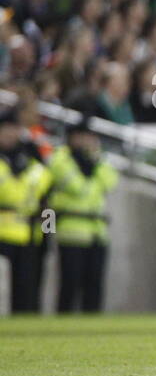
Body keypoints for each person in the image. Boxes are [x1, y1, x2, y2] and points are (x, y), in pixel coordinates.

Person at [47, 115, 118, 312]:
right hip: (71, 230)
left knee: (94, 286)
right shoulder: (61, 158)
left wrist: (96, 160)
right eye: (83, 136)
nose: (87, 140)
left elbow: (111, 181)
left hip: (97, 232)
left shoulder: (95, 158)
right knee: (70, 284)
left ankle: (93, 332)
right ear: (71, 137)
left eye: (90, 136)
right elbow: (78, 187)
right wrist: (95, 176)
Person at [0, 107, 51, 313]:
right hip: (2, 234)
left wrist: (49, 233)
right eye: (6, 129)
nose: (11, 134)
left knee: (27, 292)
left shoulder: (31, 155)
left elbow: (47, 198)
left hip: (30, 234)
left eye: (14, 128)